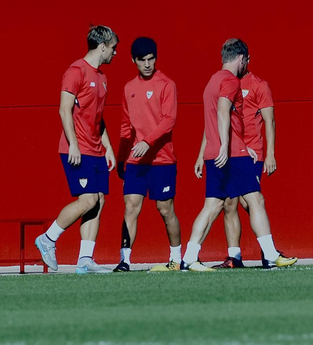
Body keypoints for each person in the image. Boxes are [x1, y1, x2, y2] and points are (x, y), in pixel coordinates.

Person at [180, 39, 296, 272]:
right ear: (241, 58)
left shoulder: (212, 80)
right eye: (246, 60)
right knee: (255, 199)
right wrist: (227, 146)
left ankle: (189, 257)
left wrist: (228, 146)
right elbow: (224, 113)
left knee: (212, 206)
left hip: (221, 151)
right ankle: (271, 254)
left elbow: (219, 119)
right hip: (230, 153)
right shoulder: (231, 81)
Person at [35, 25, 118, 274]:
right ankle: (48, 239)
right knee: (88, 199)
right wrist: (73, 144)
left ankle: (85, 260)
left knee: (99, 201)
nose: (115, 53)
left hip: (96, 150)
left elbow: (98, 119)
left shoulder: (102, 78)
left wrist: (109, 148)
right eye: (113, 48)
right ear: (102, 46)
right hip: (77, 149)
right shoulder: (75, 71)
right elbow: (64, 110)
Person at [114, 37, 181, 273]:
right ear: (133, 60)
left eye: (151, 59)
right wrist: (122, 157)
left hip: (161, 159)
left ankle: (176, 258)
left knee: (165, 209)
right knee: (131, 207)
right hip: (135, 160)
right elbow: (125, 125)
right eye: (142, 60)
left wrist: (147, 141)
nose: (147, 64)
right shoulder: (128, 88)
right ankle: (124, 260)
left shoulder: (166, 84)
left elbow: (169, 120)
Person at [220, 64, 284, 268]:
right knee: (229, 203)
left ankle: (269, 252)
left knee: (252, 200)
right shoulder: (226, 83)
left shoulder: (259, 85)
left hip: (252, 153)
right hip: (230, 151)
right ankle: (234, 257)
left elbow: (269, 120)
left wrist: (270, 154)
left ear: (246, 59)